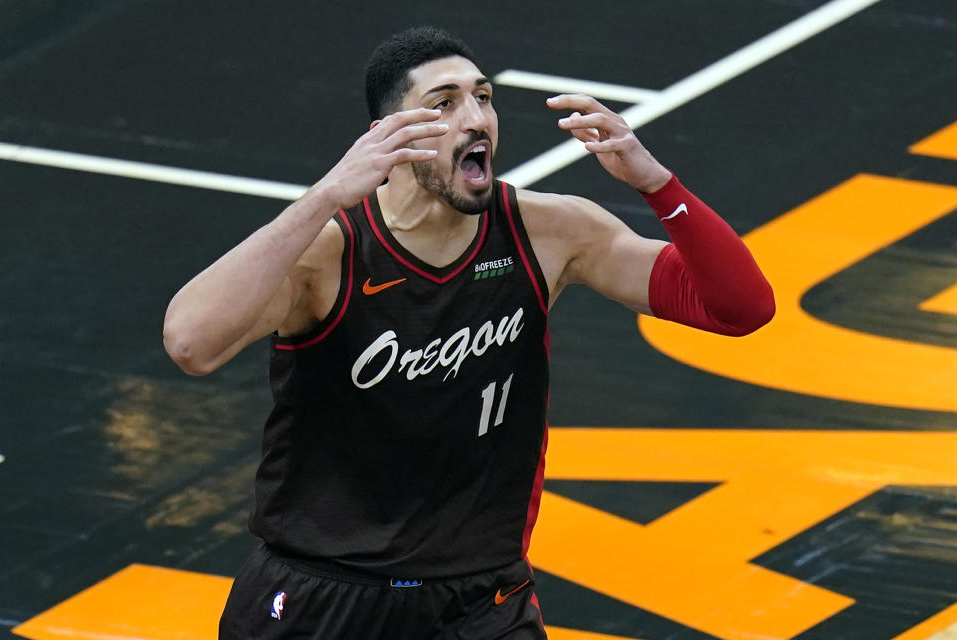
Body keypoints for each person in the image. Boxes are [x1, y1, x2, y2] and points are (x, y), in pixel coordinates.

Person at [163, 25, 774, 640]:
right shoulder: (330, 254)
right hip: (321, 597)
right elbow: (191, 344)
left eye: (483, 97)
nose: (476, 118)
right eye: (444, 103)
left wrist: (656, 184)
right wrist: (323, 197)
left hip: (481, 601)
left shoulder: (549, 231)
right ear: (388, 137)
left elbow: (740, 309)